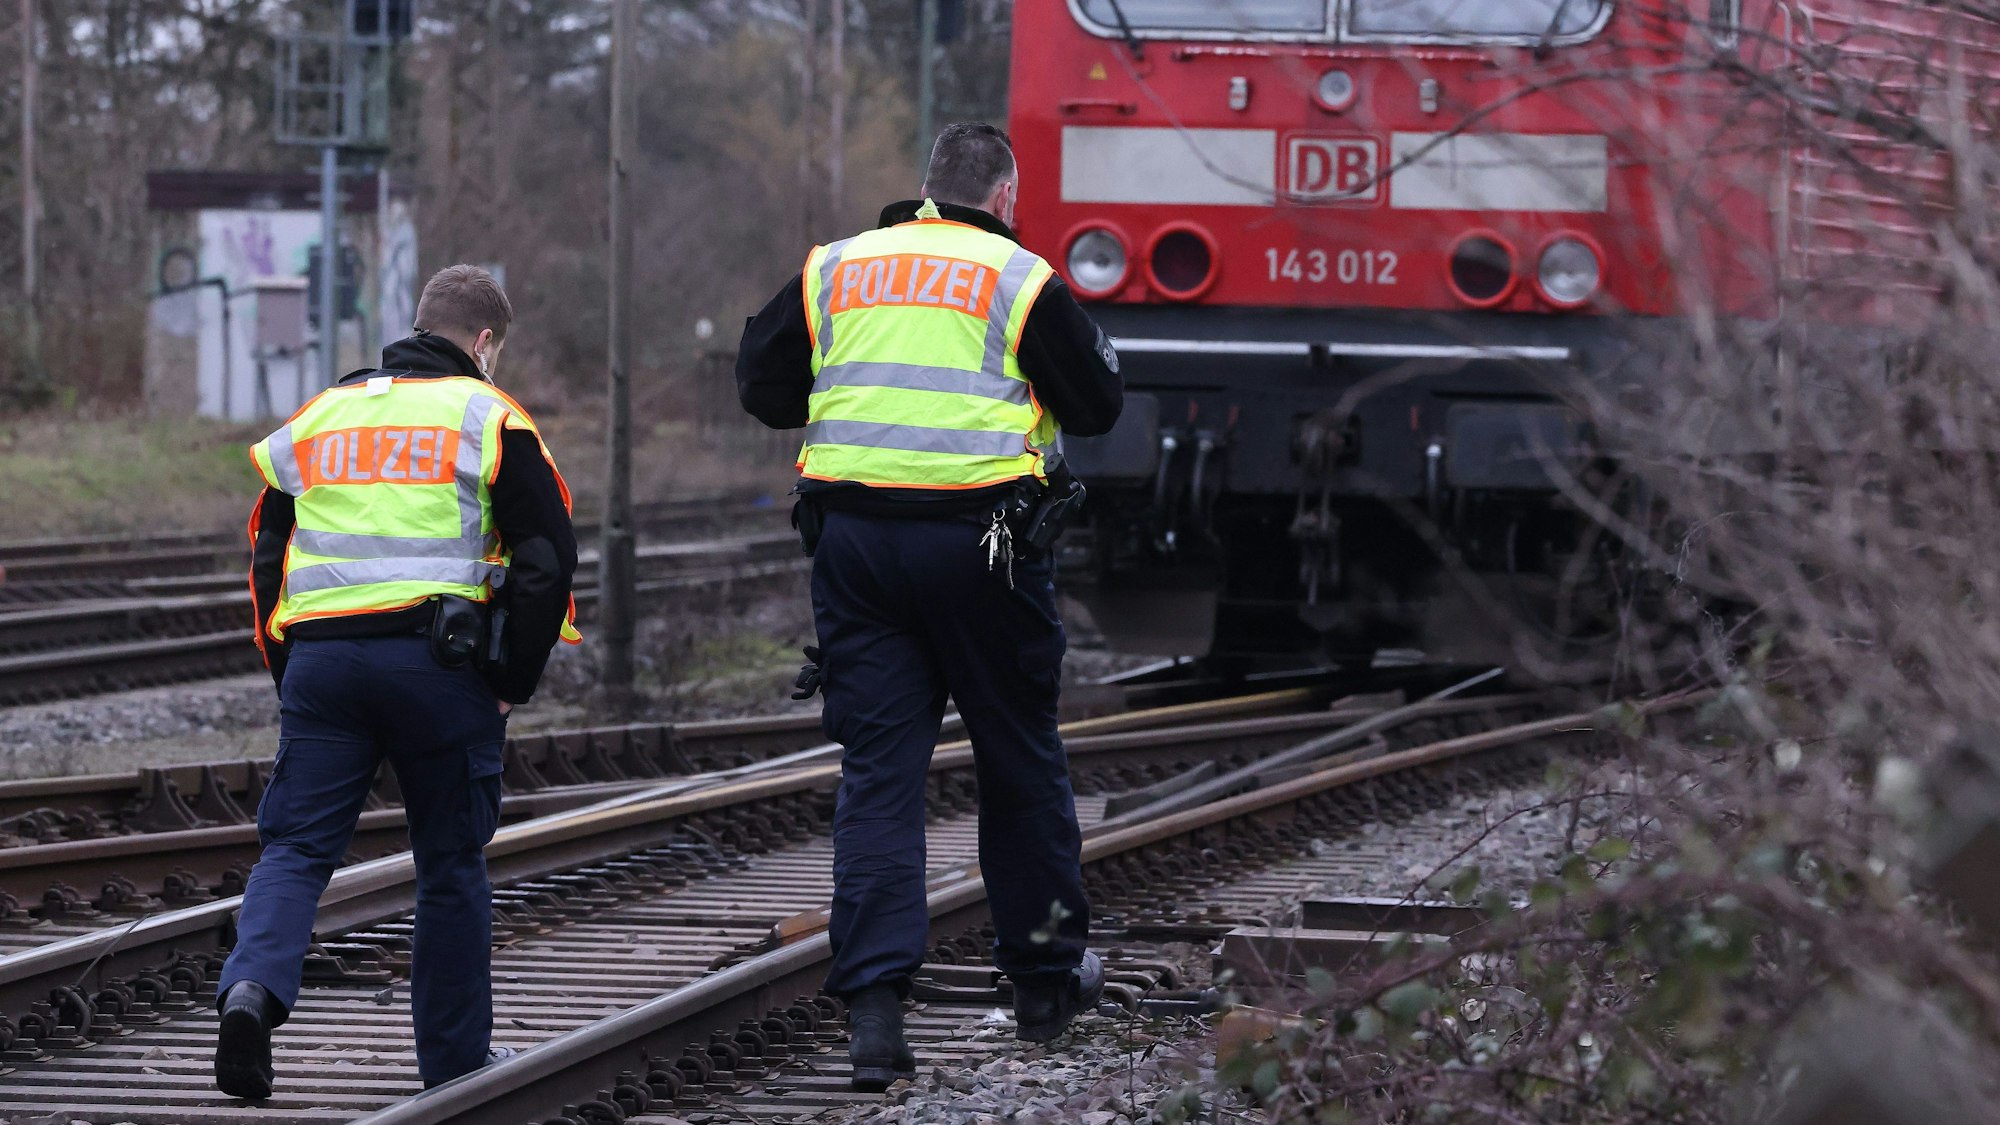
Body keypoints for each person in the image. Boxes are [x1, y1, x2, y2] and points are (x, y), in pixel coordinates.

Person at [737, 122, 1124, 1091]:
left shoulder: (837, 269)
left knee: (878, 772)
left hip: (858, 551)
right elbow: (1096, 403)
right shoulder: (1015, 276)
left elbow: (761, 383)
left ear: (922, 189)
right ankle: (1041, 984)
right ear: (1001, 197)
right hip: (986, 547)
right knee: (1017, 758)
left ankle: (874, 1015)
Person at [213, 265, 581, 1100]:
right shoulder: (489, 415)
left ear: (415, 323)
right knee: (449, 862)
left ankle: (250, 991)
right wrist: (509, 680)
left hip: (325, 665)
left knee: (297, 847)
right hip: (441, 670)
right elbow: (547, 558)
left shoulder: (320, 416)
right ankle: (452, 1061)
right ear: (484, 342)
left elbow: (268, 553)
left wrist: (291, 669)